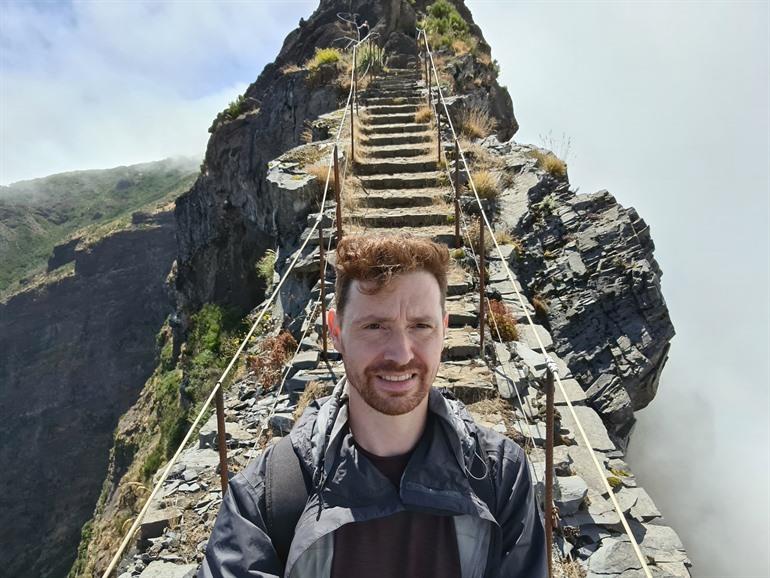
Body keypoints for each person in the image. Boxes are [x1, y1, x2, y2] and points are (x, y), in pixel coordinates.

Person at [198, 234, 547, 578]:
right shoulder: (267, 495)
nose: (401, 353)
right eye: (375, 326)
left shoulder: (501, 475)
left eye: (420, 326)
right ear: (335, 331)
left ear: (444, 330)